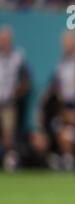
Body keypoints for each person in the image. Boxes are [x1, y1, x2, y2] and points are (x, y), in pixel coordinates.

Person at [31, 30, 75, 170]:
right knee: (45, 133)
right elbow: (54, 85)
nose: (66, 45)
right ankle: (57, 159)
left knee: (67, 132)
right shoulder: (61, 63)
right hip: (61, 107)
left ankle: (70, 160)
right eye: (64, 43)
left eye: (69, 42)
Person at [0, 25, 30, 171]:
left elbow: (26, 79)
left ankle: (9, 160)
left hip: (8, 102)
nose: (3, 41)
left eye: (6, 39)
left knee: (8, 134)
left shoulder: (18, 57)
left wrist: (17, 93)